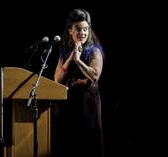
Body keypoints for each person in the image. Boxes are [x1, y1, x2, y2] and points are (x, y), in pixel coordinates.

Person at [52, 8, 105, 157]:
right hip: (68, 104)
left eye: (86, 29)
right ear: (70, 30)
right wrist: (70, 59)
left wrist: (78, 60)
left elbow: (94, 76)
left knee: (86, 145)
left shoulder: (94, 50)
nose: (83, 32)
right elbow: (56, 79)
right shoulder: (64, 50)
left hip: (87, 104)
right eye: (78, 29)